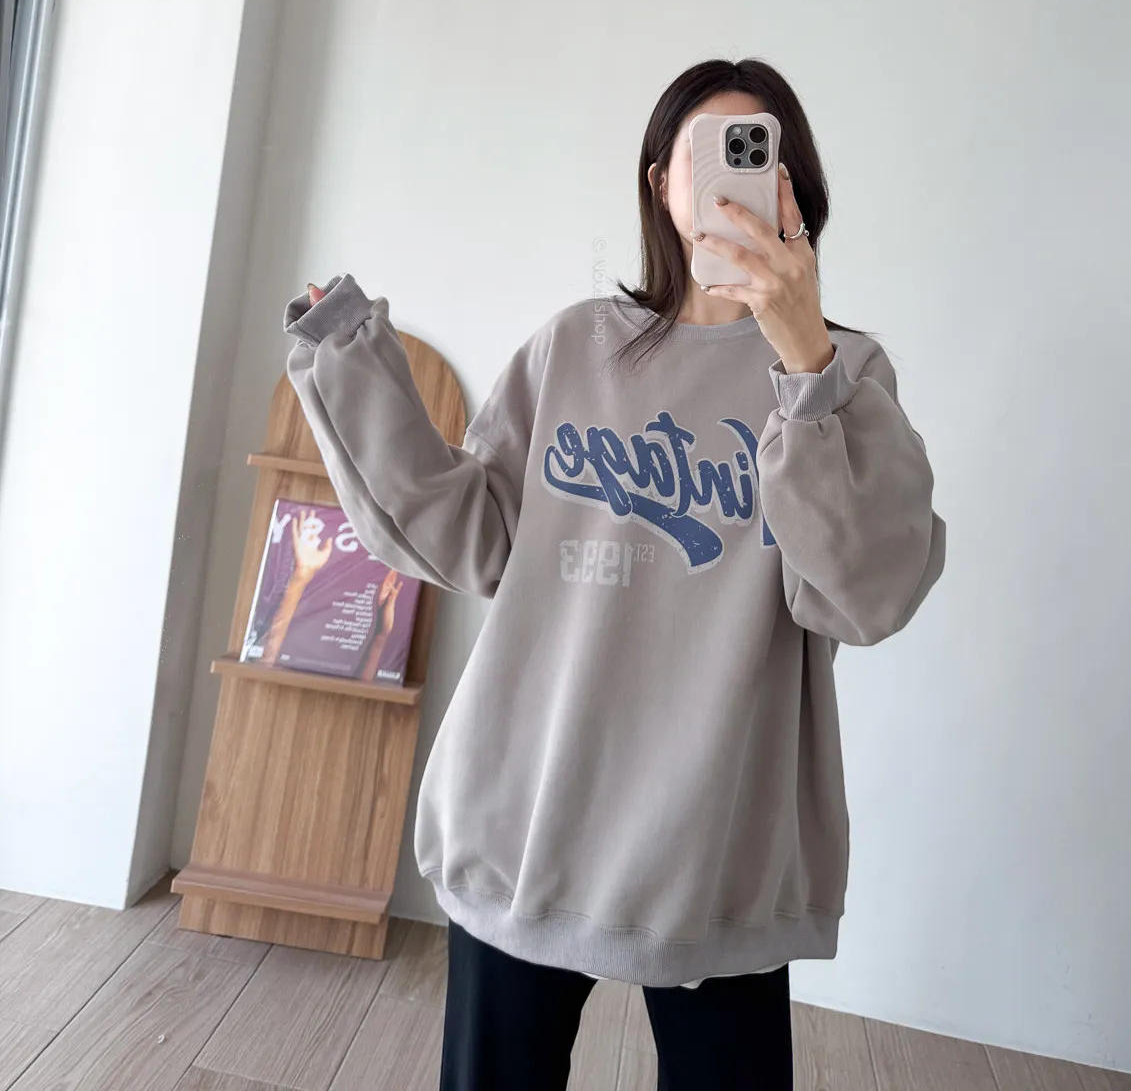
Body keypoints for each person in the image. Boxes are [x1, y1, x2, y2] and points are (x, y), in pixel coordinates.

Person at [282, 57, 947, 1091]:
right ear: (659, 182)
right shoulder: (575, 348)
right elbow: (472, 537)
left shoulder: (845, 375)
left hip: (719, 851)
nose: (734, 175)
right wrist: (350, 357)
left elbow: (864, 595)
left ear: (793, 185)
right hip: (531, 819)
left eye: (758, 152)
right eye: (708, 151)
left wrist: (804, 368)